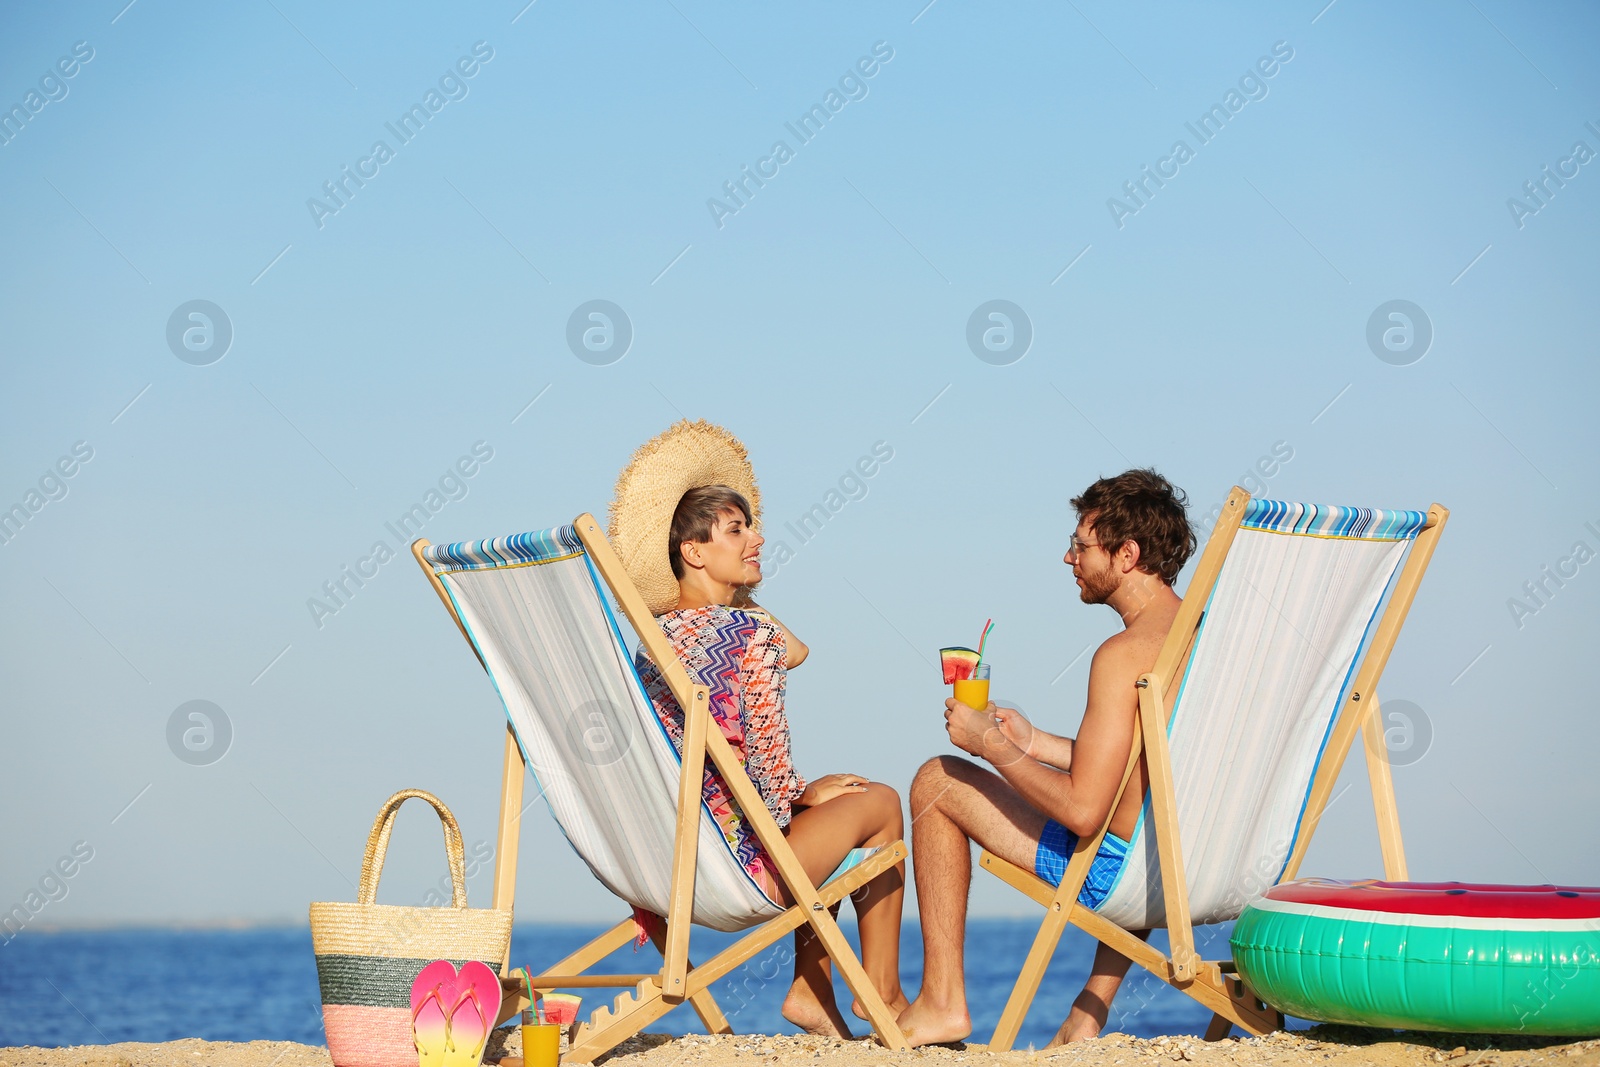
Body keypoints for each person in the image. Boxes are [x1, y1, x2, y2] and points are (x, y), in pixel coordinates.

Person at [609, 420, 907, 1038]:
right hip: (742, 863)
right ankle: (877, 990)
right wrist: (803, 791)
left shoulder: (654, 645)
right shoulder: (748, 638)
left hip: (675, 866)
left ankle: (815, 991)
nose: (758, 539)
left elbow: (793, 650)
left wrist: (731, 591)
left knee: (820, 808)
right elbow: (768, 771)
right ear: (692, 551)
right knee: (878, 803)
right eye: (737, 530)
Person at [897, 469, 1197, 1047]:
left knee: (936, 780)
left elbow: (1086, 812)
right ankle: (1086, 1018)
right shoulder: (1202, 638)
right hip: (1186, 863)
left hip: (1122, 871)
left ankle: (942, 1001)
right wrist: (1032, 745)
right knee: (1128, 823)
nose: (1069, 559)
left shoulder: (1122, 655)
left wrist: (991, 747)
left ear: (1127, 553)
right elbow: (1140, 767)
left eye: (1081, 545)